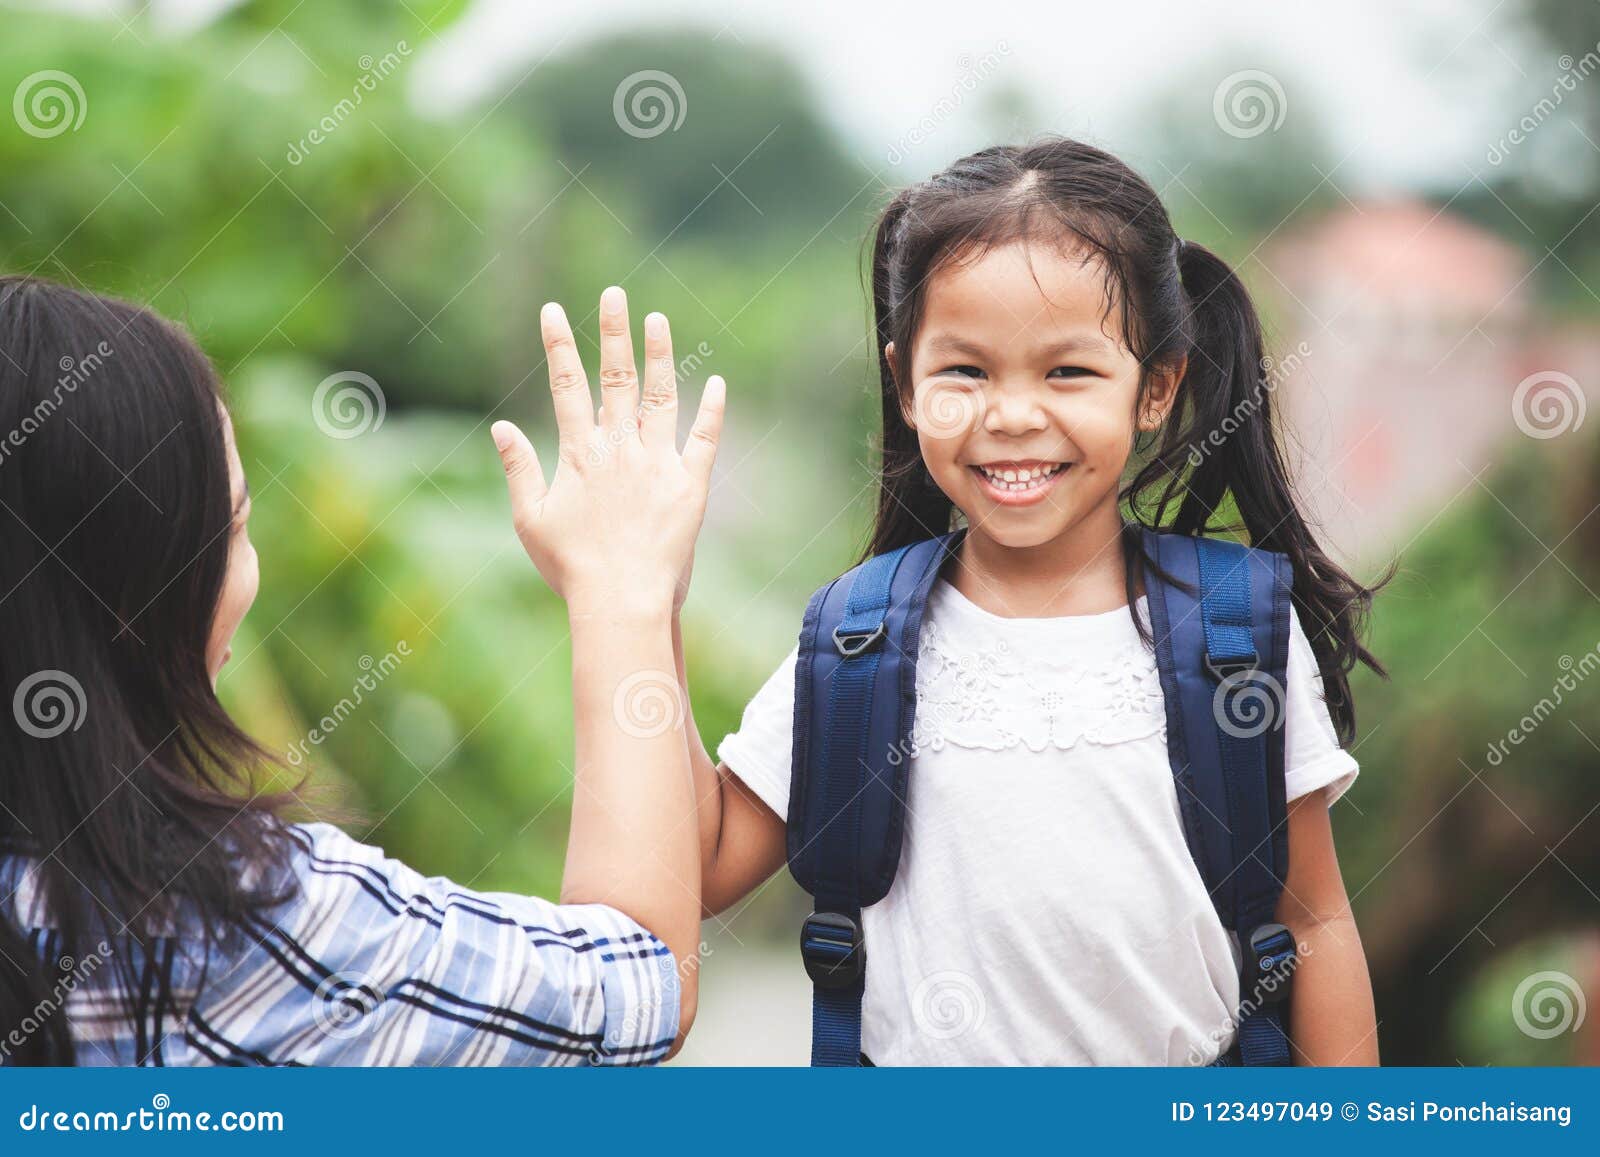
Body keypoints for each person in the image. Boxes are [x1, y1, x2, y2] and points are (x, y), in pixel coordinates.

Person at [682, 138, 1386, 1065]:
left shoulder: (1233, 633)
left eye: (1068, 372)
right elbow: (704, 864)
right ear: (904, 385)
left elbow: (1315, 922)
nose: (1012, 414)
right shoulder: (859, 640)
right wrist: (642, 606)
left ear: (1157, 386)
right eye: (966, 371)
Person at [0, 277, 722, 1066]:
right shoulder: (230, 928)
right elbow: (636, 980)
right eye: (235, 524)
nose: (251, 564)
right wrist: (623, 585)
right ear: (138, 594)